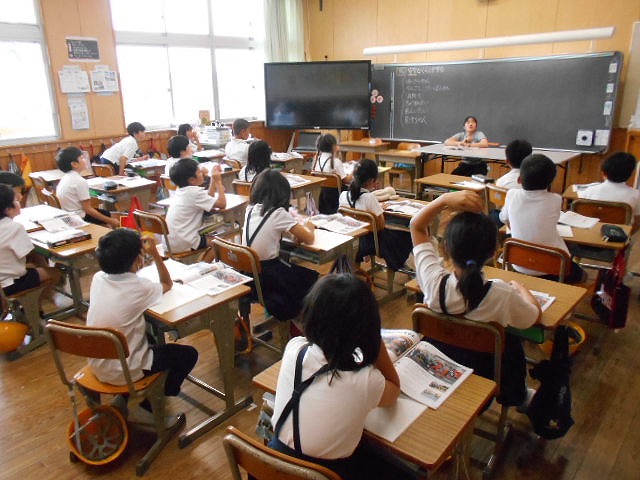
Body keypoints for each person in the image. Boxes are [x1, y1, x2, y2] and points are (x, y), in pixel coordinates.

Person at [269, 274, 407, 480]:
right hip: (327, 474)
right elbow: (394, 388)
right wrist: (374, 341)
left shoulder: (294, 349)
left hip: (273, 467)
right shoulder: (365, 381)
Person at [410, 190, 540, 408]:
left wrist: (443, 201)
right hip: (483, 380)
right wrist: (522, 289)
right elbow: (532, 318)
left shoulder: (433, 282)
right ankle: (518, 396)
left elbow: (416, 225)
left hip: (436, 369)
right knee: (512, 342)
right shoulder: (502, 294)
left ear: (446, 248)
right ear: (493, 252)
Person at [87, 228, 198, 425]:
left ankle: (126, 398)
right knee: (188, 354)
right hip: (124, 370)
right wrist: (155, 253)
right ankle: (147, 405)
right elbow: (167, 283)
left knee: (149, 337)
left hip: (98, 362)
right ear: (137, 259)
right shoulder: (138, 287)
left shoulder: (98, 278)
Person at [242, 169, 318, 323]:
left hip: (249, 276)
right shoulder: (278, 214)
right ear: (282, 193)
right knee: (313, 280)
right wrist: (309, 224)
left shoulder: (250, 209)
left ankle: (295, 319)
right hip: (268, 278)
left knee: (294, 271)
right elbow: (309, 238)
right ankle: (304, 322)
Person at [499, 154, 585, 283]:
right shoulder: (556, 199)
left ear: (519, 180)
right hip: (553, 267)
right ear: (550, 182)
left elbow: (503, 218)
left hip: (518, 263)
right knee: (582, 275)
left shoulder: (511, 195)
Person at [338, 159, 413, 271]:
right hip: (370, 242)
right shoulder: (369, 198)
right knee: (406, 235)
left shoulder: (343, 195)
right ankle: (399, 265)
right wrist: (379, 209)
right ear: (372, 180)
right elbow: (381, 225)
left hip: (351, 238)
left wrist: (376, 208)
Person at [0, 184, 59, 297]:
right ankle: (35, 307)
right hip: (9, 284)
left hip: (4, 281)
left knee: (37, 261)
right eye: (16, 201)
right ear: (8, 209)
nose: (19, 203)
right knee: (56, 272)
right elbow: (29, 253)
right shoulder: (14, 227)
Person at [166, 158, 226, 252]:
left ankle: (202, 263)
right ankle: (203, 265)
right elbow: (222, 204)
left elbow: (209, 199)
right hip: (184, 241)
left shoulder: (182, 190)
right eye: (199, 172)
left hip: (171, 241)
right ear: (192, 180)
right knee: (219, 244)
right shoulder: (194, 193)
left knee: (211, 235)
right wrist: (218, 181)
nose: (202, 174)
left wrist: (213, 179)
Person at [55, 147, 119, 227]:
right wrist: (110, 221)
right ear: (74, 164)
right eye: (82, 158)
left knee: (111, 214)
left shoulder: (65, 178)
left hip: (70, 216)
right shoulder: (79, 181)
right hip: (80, 218)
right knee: (114, 218)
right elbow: (88, 210)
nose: (85, 160)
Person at [580, 152, 640, 233]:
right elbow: (637, 223)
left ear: (604, 172)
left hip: (589, 234)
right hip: (619, 239)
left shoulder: (589, 190)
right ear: (630, 175)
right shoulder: (636, 195)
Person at [312, 133, 352, 214]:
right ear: (334, 146)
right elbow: (346, 181)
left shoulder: (316, 160)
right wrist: (354, 172)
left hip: (321, 196)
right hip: (335, 196)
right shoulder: (336, 162)